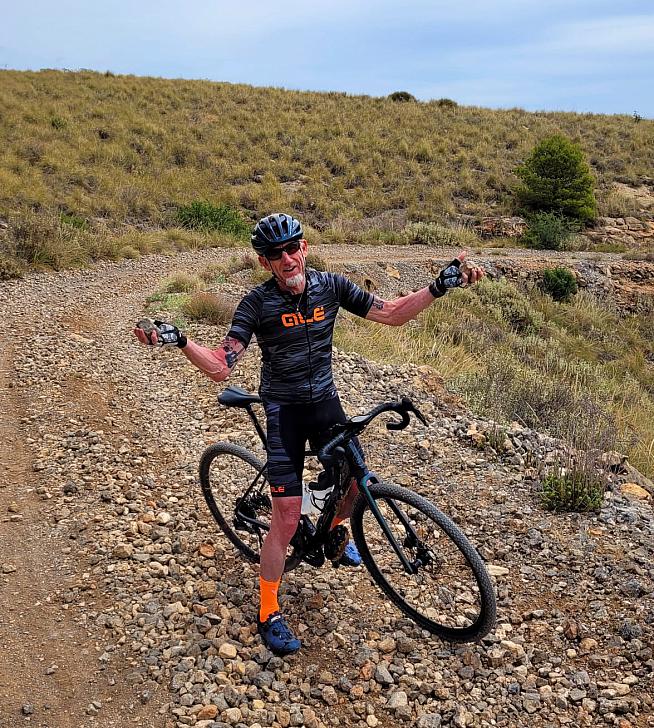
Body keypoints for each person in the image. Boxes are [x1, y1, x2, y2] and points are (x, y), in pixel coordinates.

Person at [134, 212, 484, 656]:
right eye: (275, 254)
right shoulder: (256, 305)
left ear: (304, 247)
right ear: (264, 263)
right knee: (284, 516)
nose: (287, 258)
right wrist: (180, 340)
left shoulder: (331, 286)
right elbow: (222, 365)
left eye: (293, 248)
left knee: (357, 479)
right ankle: (267, 608)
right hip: (283, 412)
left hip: (325, 403)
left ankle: (336, 533)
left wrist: (439, 285)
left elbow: (392, 314)